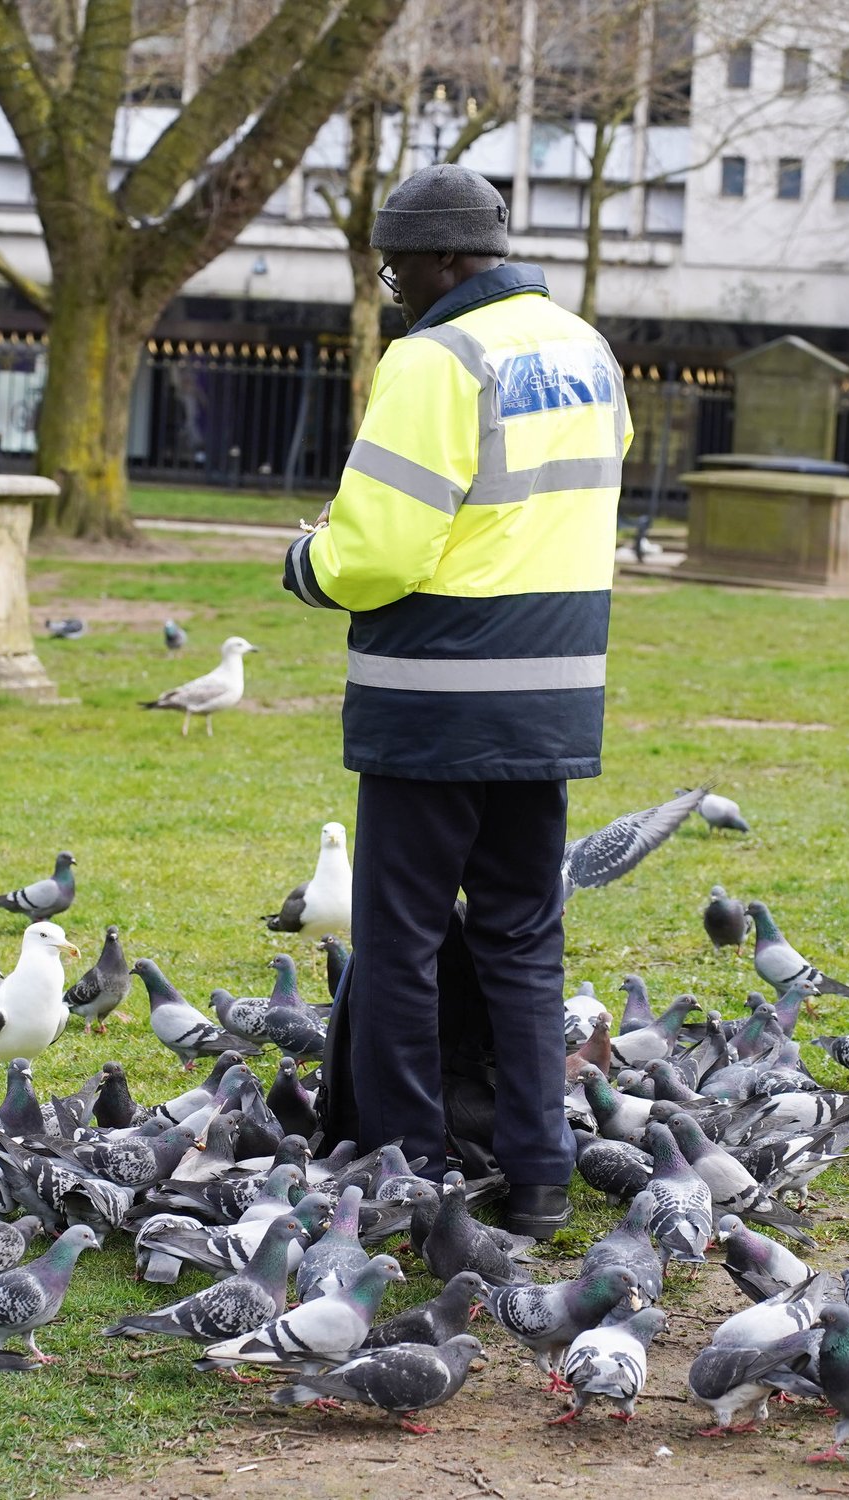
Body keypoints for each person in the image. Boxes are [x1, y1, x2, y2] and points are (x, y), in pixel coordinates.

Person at [282, 164, 632, 1238]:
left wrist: (307, 561)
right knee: (524, 943)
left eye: (394, 268)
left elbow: (380, 549)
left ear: (440, 258)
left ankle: (410, 1170)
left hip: (434, 699)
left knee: (401, 939)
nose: (391, 287)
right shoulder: (583, 348)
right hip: (551, 701)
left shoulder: (436, 358)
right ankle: (535, 1175)